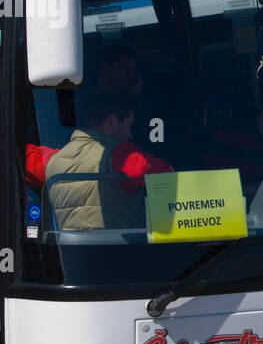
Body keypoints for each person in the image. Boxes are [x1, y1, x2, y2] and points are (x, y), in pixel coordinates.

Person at [44, 90, 173, 231]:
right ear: (112, 122)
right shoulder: (119, 153)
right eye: (129, 127)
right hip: (120, 251)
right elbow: (141, 169)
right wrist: (168, 170)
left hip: (70, 252)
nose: (130, 135)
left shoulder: (54, 160)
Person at [25, 42, 145, 188]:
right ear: (106, 68)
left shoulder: (135, 104)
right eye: (125, 67)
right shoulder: (75, 100)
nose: (131, 76)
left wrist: (136, 98)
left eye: (133, 69)